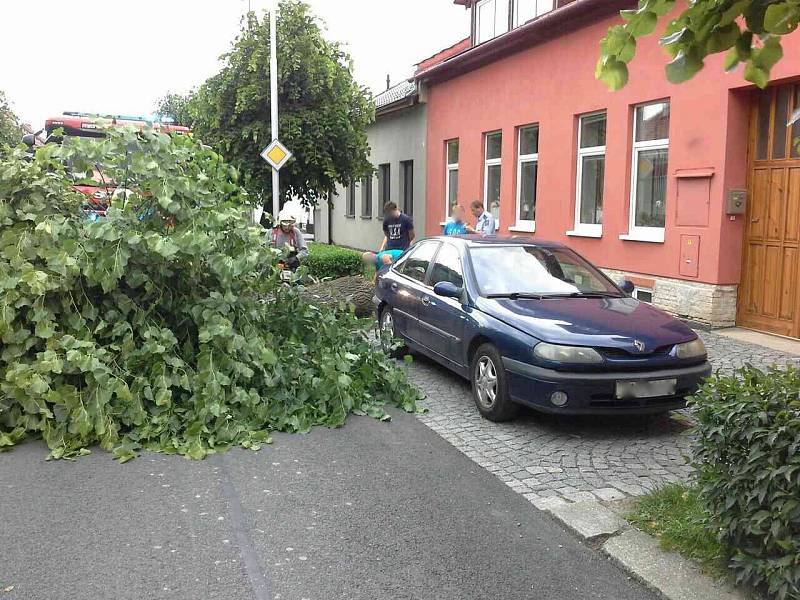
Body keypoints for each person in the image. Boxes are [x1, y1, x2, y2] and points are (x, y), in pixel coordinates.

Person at [362, 201, 415, 270]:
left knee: (399, 269)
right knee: (385, 268)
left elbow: (412, 235)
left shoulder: (406, 219)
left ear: (395, 209)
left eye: (391, 213)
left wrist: (409, 245)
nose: (390, 215)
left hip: (402, 249)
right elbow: (387, 235)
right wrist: (382, 248)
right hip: (390, 249)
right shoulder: (387, 220)